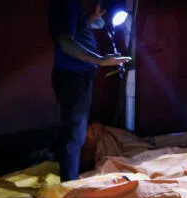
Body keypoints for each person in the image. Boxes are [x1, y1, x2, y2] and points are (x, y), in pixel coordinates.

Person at [49, 0, 130, 181]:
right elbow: (65, 42)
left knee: (76, 132)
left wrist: (90, 18)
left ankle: (70, 178)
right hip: (72, 77)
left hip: (78, 76)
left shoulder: (73, 5)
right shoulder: (66, 4)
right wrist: (99, 60)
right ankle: (69, 185)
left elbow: (73, 29)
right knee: (75, 135)